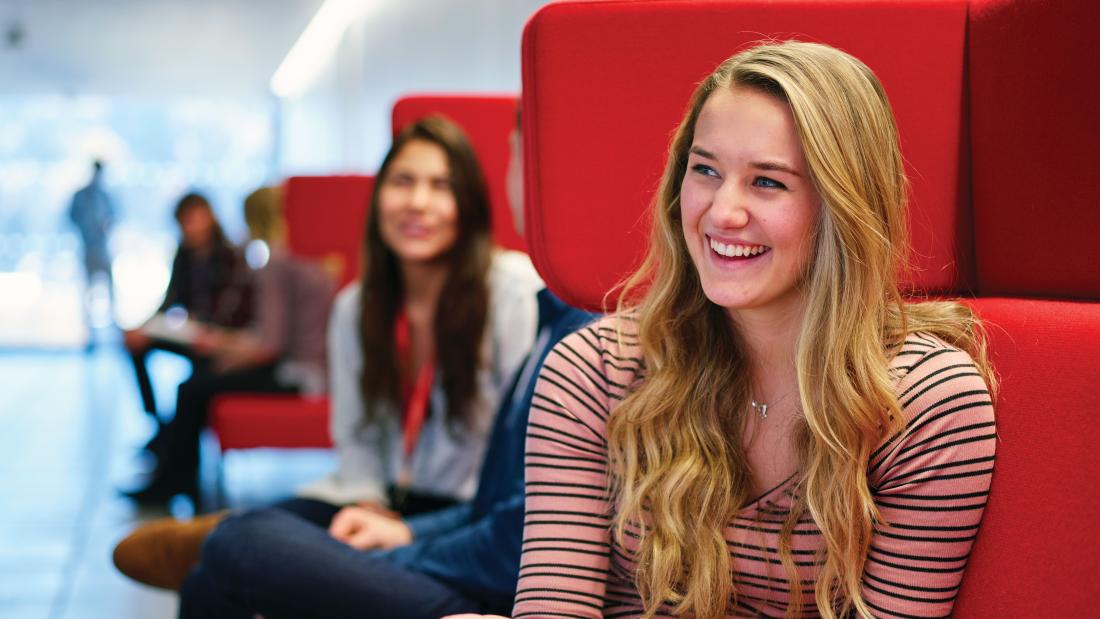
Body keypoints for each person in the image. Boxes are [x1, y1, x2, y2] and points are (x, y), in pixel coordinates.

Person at [499, 41, 997, 619]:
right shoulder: (594, 368)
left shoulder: (927, 402)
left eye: (767, 182)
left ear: (843, 205)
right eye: (705, 170)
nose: (721, 212)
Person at [114, 114, 557, 616]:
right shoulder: (357, 305)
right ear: (378, 199)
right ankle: (246, 541)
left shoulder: (514, 295)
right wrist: (368, 506)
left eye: (441, 186)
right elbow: (357, 441)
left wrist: (404, 532)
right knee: (207, 582)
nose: (418, 202)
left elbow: (516, 473)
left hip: (464, 516)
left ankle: (240, 539)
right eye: (403, 182)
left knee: (240, 544)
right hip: (378, 495)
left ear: (470, 205)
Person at [123, 187, 336, 505]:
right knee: (196, 380)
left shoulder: (274, 264)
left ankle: (174, 479)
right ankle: (177, 471)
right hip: (305, 367)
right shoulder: (296, 258)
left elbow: (269, 347)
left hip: (299, 375)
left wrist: (224, 348)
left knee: (193, 387)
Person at [123, 193, 254, 421]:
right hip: (193, 332)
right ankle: (157, 421)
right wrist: (143, 327)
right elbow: (170, 301)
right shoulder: (184, 255)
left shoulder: (230, 256)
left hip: (219, 336)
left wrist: (217, 336)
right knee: (134, 343)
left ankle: (182, 433)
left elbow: (234, 309)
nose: (190, 228)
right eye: (185, 222)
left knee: (194, 384)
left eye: (194, 219)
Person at [68, 160, 117, 340]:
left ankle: (112, 328)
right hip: (88, 247)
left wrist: (105, 227)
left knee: (109, 289)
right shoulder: (82, 195)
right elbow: (72, 216)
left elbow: (114, 216)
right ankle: (89, 331)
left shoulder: (105, 196)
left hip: (103, 248)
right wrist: (87, 229)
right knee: (88, 291)